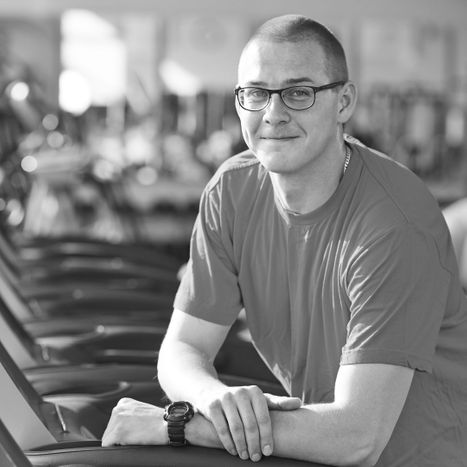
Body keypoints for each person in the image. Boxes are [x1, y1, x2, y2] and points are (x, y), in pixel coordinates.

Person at [102, 14, 467, 466]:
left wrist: (178, 425)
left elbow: (357, 437)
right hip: (312, 448)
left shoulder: (393, 224)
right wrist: (214, 399)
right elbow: (184, 348)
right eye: (255, 93)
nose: (273, 114)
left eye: (299, 92)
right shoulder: (232, 191)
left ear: (344, 102)